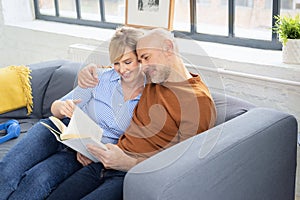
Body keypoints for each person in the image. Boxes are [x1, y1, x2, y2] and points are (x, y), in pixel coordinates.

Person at [47, 28, 216, 199]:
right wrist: (91, 69)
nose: (144, 66)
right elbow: (121, 68)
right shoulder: (153, 77)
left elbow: (185, 164)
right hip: (105, 162)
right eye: (140, 60)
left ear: (168, 48)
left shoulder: (198, 102)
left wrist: (128, 163)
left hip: (134, 173)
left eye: (146, 58)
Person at [0, 26, 144, 200]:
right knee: (8, 170)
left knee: (38, 180)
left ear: (142, 58)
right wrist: (63, 107)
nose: (121, 70)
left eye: (127, 62)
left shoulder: (150, 97)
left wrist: (95, 153)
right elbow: (55, 108)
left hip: (82, 152)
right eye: (116, 63)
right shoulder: (100, 78)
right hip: (57, 130)